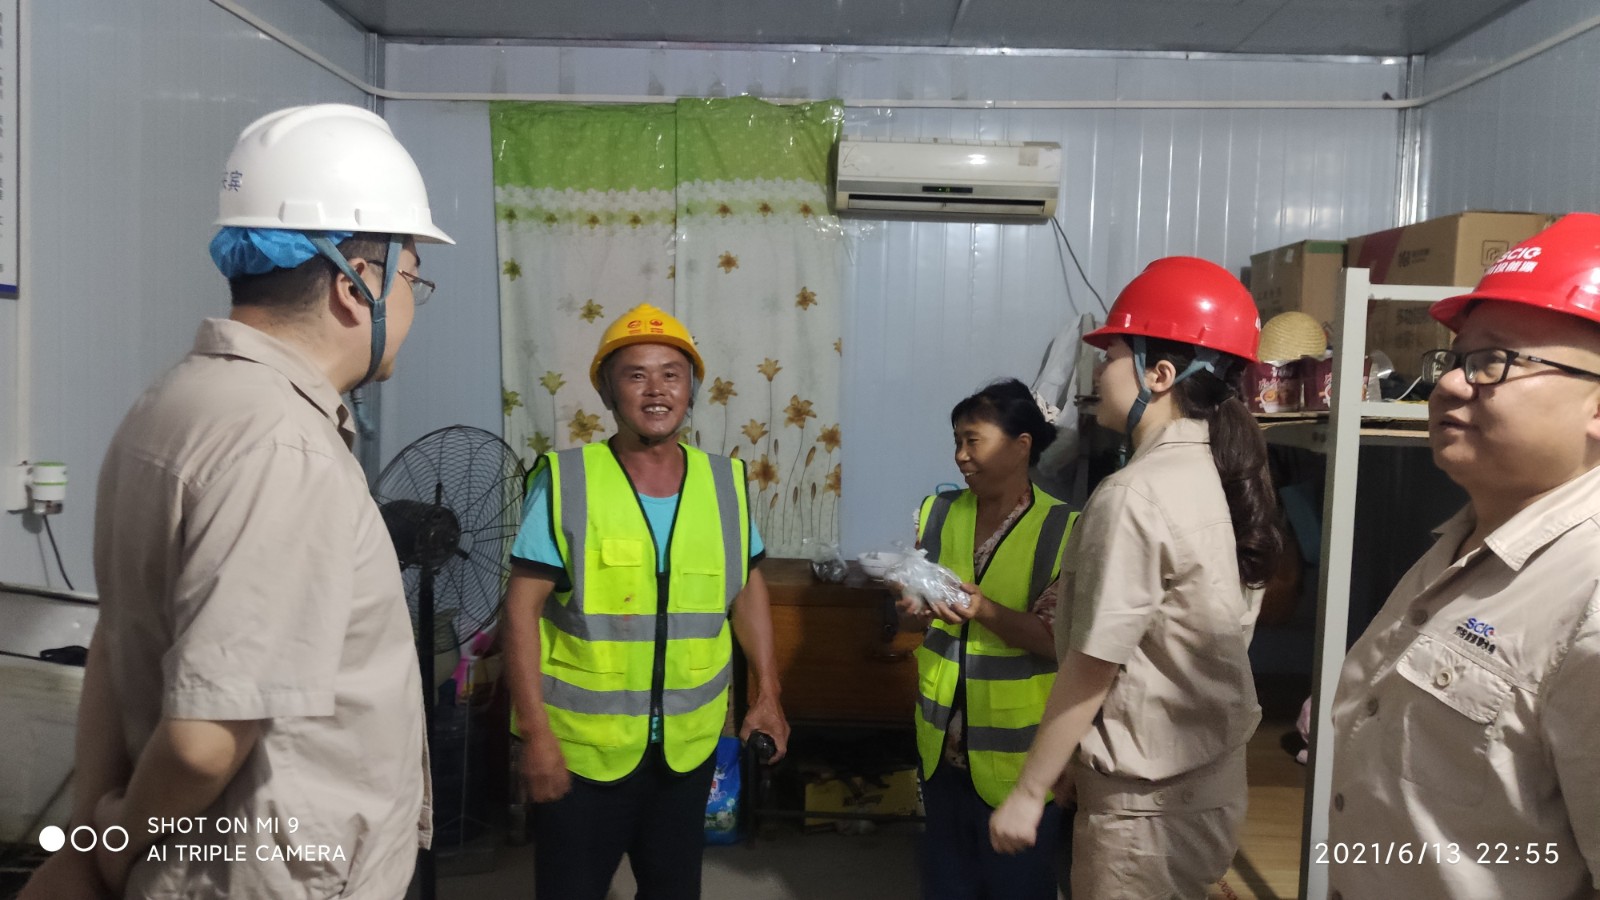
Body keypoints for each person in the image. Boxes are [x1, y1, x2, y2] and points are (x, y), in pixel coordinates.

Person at [19, 103, 451, 899]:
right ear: (358, 282)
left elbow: (117, 644)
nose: (412, 305)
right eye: (413, 278)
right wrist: (109, 852)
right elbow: (204, 742)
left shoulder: (169, 404)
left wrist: (91, 838)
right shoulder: (282, 448)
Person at [1325, 212, 1600, 899]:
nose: (1449, 385)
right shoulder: (1465, 542)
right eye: (1454, 360)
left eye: (1495, 362)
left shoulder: (1589, 596)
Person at [989, 257, 1283, 899]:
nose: (1097, 372)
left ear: (1160, 374)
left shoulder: (1135, 495)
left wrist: (1029, 790)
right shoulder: (1220, 476)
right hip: (1200, 789)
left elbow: (1094, 664)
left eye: (1111, 354)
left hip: (1146, 816)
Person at [502, 303, 789, 900]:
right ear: (608, 392)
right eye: (635, 375)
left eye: (671, 374)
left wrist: (768, 694)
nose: (656, 390)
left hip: (686, 751)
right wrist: (535, 735)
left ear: (691, 390)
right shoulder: (566, 480)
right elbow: (520, 612)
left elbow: (746, 591)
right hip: (582, 753)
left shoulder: (726, 483)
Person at [896, 378, 1077, 900]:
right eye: (957, 441)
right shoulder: (937, 512)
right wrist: (909, 607)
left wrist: (983, 610)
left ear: (1021, 446)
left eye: (973, 440)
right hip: (940, 747)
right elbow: (915, 618)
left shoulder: (1065, 529)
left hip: (1020, 757)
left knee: (1016, 886)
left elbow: (1058, 641)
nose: (961, 455)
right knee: (946, 884)